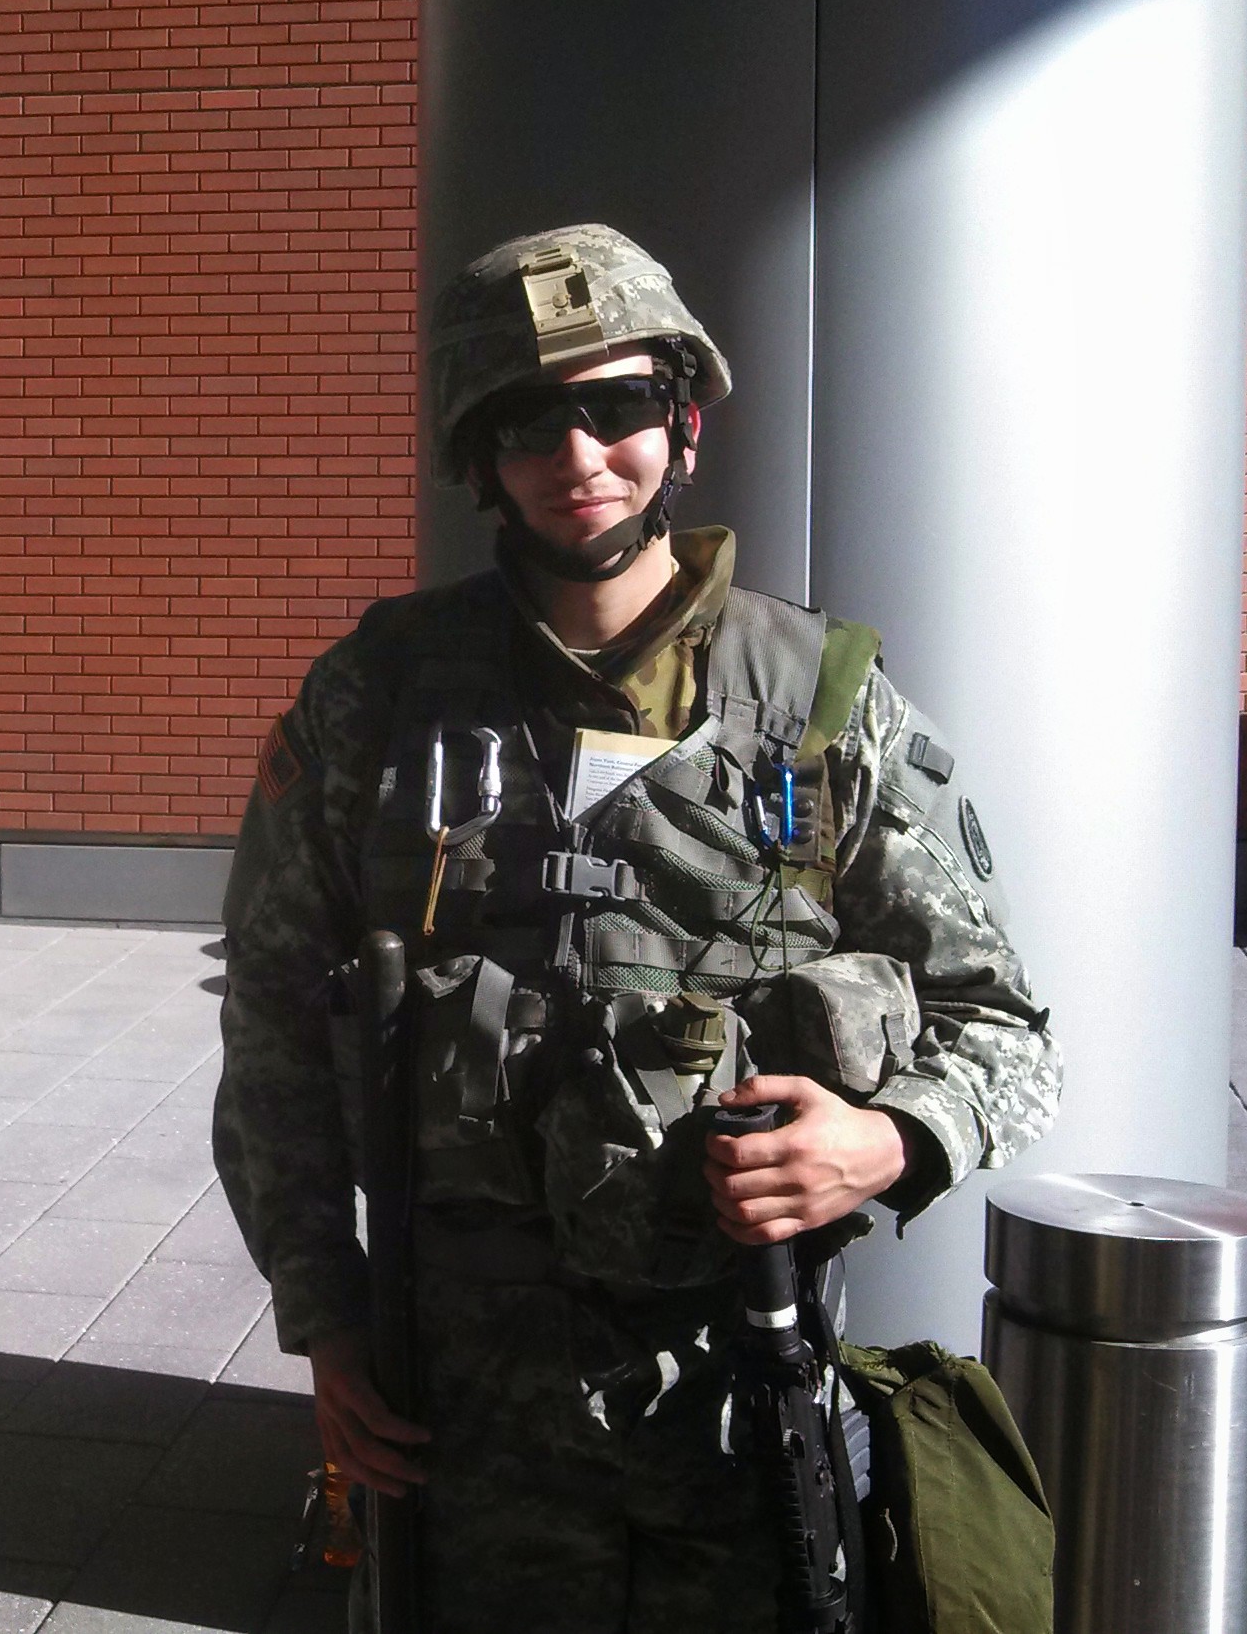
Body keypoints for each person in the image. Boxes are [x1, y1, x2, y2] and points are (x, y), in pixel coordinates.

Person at [212, 224, 1061, 1627]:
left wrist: (884, 1141)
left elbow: (1003, 1027)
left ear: (683, 419)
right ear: (479, 458)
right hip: (457, 1422)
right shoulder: (377, 701)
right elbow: (272, 1027)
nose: (580, 455)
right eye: (528, 422)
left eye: (616, 407)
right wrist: (328, 1318)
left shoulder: (823, 705)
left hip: (737, 1405)